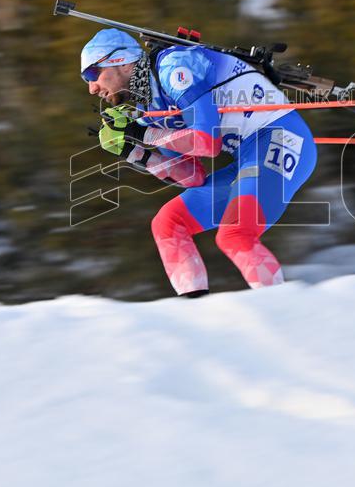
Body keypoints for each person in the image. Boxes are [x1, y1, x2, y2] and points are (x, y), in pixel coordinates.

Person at [81, 27, 318, 297]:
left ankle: (285, 314)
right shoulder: (147, 109)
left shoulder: (173, 66)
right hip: (249, 156)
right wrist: (135, 153)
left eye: (92, 74)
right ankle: (196, 312)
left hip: (281, 137)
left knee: (234, 234)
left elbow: (207, 142)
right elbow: (191, 176)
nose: (91, 88)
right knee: (168, 223)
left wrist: (141, 134)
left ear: (120, 62)